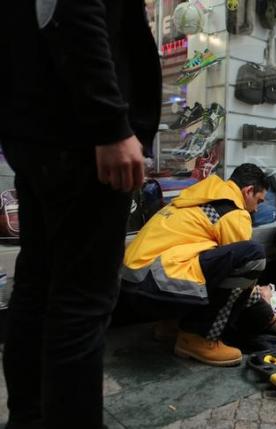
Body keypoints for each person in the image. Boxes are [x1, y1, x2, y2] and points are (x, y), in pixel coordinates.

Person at [0, 1, 161, 428]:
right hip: (81, 138)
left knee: (38, 286)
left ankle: (28, 420)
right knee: (81, 300)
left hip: (36, 127)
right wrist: (110, 124)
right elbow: (75, 7)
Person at [120, 164, 269, 366]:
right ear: (248, 191)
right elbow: (240, 276)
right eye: (258, 201)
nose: (256, 209)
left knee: (199, 259)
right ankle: (200, 338)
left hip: (131, 284)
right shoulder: (233, 211)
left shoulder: (196, 197)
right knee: (253, 255)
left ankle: (169, 326)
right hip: (156, 286)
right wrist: (265, 302)